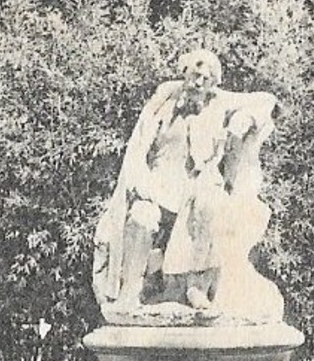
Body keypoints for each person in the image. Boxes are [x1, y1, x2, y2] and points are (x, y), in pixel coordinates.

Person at [93, 49, 282, 323]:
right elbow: (136, 153)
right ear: (184, 73)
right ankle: (131, 292)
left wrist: (246, 119)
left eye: (207, 78)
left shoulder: (219, 102)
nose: (199, 82)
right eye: (195, 74)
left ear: (214, 83)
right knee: (142, 217)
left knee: (210, 201)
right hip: (157, 188)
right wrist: (142, 184)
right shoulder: (163, 101)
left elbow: (266, 101)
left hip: (194, 192)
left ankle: (196, 286)